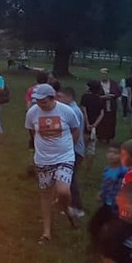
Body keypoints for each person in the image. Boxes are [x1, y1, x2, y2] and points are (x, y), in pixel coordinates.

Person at [25, 83, 82, 243]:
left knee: (63, 191)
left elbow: (75, 131)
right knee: (46, 196)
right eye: (38, 101)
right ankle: (47, 232)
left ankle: (66, 207)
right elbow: (32, 132)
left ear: (53, 98)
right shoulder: (32, 113)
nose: (40, 104)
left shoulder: (67, 111)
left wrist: (67, 148)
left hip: (64, 157)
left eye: (44, 101)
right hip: (43, 159)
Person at [87, 144, 127, 252]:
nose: (111, 155)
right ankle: (96, 245)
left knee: (113, 229)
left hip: (117, 206)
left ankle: (112, 249)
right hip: (106, 203)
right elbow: (106, 185)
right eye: (109, 152)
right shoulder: (107, 170)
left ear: (121, 156)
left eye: (115, 153)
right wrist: (101, 193)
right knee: (94, 225)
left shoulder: (123, 172)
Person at [60, 87, 85, 218]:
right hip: (73, 149)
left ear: (69, 97)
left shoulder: (73, 111)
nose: (59, 100)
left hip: (74, 150)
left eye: (61, 97)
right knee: (67, 178)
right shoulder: (72, 110)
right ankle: (68, 204)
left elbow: (74, 133)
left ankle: (77, 207)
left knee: (70, 179)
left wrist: (67, 150)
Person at [80, 80, 105, 169]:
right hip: (94, 126)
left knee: (82, 146)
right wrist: (94, 125)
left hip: (85, 125)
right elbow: (102, 114)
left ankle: (79, 164)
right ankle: (89, 167)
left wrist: (87, 123)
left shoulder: (85, 97)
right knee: (91, 148)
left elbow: (84, 111)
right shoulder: (99, 99)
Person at [96, 68, 122, 142]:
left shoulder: (113, 83)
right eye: (103, 74)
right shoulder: (97, 84)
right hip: (101, 105)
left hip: (111, 105)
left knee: (110, 121)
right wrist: (103, 97)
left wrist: (113, 96)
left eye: (105, 74)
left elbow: (118, 93)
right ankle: (100, 136)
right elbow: (94, 95)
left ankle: (109, 137)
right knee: (101, 121)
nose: (104, 76)